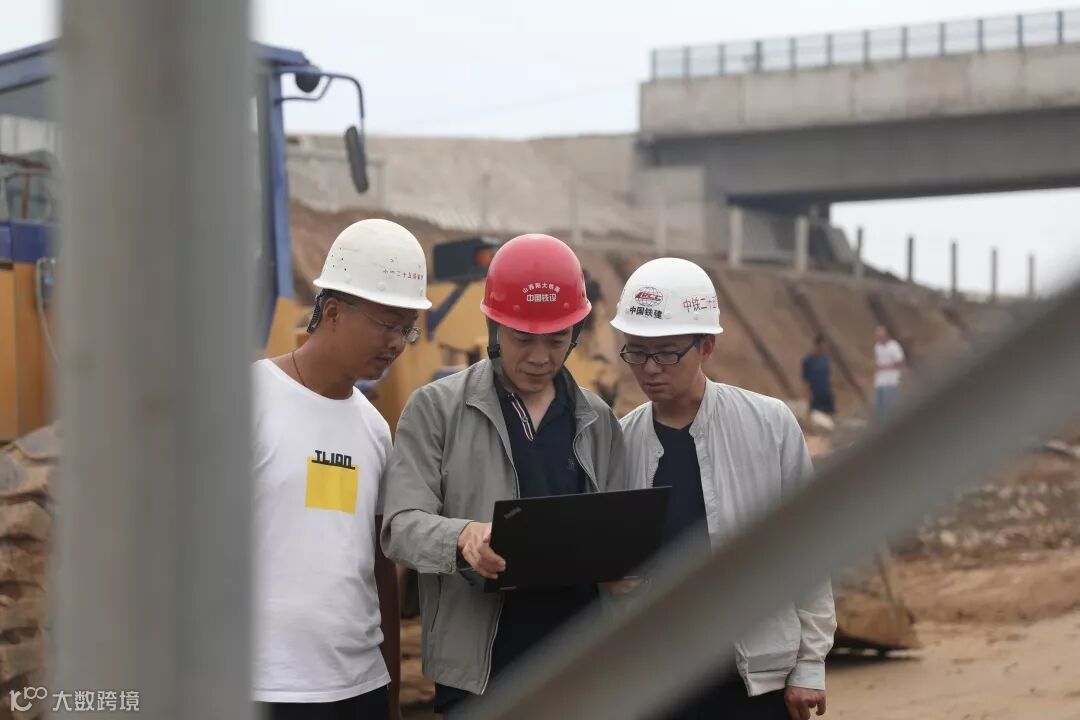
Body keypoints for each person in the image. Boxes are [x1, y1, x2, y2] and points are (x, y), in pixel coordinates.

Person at [380, 234, 628, 717]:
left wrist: (623, 570)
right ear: (493, 326)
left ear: (576, 332)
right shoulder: (436, 410)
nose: (539, 357)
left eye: (556, 339)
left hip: (579, 668)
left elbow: (616, 529)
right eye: (522, 339)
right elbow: (401, 526)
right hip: (480, 675)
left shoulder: (597, 420)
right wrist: (462, 537)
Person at [612, 258, 836, 720]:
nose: (649, 369)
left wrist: (809, 664)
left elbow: (808, 546)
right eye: (636, 352)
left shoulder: (769, 425)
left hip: (753, 682)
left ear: (706, 346)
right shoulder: (620, 443)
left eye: (666, 353)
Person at [251, 219, 432, 720]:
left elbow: (379, 566)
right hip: (264, 686)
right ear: (332, 312)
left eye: (406, 327)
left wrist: (391, 692)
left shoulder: (374, 429)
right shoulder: (248, 400)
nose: (397, 343)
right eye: (386, 323)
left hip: (359, 688)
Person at [873, 325, 905, 416]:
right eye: (877, 336)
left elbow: (900, 362)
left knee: (890, 405)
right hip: (880, 379)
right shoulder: (877, 347)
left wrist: (886, 367)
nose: (879, 338)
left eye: (880, 336)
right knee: (879, 405)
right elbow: (878, 361)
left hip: (891, 379)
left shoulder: (893, 346)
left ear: (885, 335)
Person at [801, 335, 835, 416]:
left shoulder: (825, 360)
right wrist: (808, 393)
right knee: (815, 416)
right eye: (822, 345)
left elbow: (827, 376)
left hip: (825, 393)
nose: (823, 348)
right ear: (817, 345)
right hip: (814, 394)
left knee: (829, 415)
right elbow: (805, 379)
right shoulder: (809, 361)